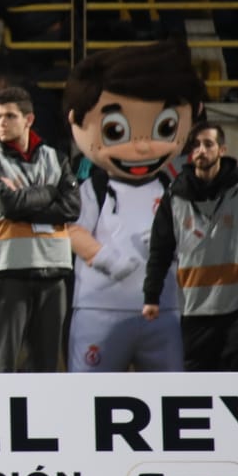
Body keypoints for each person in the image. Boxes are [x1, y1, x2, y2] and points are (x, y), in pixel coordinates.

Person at [65, 39, 205, 373]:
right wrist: (108, 259)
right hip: (101, 308)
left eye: (164, 128)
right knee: (88, 399)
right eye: (116, 131)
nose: (142, 147)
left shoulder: (178, 190)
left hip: (163, 310)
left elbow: (196, 233)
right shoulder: (95, 189)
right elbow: (71, 229)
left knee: (170, 400)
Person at [142, 122, 238, 371]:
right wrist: (151, 296)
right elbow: (160, 250)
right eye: (195, 145)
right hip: (195, 308)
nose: (201, 150)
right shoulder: (175, 195)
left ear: (222, 150)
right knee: (200, 382)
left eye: (208, 144)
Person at [0, 86, 80, 373]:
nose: (1, 123)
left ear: (29, 120)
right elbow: (8, 205)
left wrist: (25, 198)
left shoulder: (55, 157)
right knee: (3, 363)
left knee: (46, 364)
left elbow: (72, 209)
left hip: (53, 271)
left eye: (9, 116)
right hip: (7, 270)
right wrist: (48, 191)